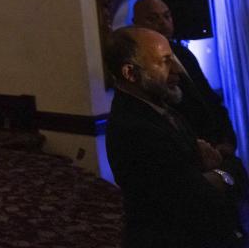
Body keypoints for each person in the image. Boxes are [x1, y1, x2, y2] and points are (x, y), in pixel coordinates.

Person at [104, 26, 244, 247]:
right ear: (130, 73)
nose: (178, 70)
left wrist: (215, 174)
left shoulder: (164, 107)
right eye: (165, 61)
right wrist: (225, 172)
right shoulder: (134, 128)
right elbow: (196, 197)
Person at [132, 0, 239, 155]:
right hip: (187, 153)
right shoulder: (141, 65)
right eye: (153, 19)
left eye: (167, 16)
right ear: (137, 24)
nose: (163, 23)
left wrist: (228, 139)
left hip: (219, 146)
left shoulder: (184, 53)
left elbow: (208, 98)